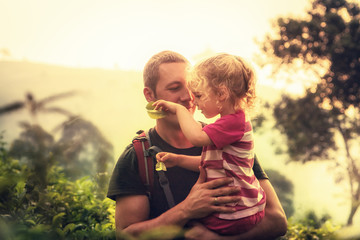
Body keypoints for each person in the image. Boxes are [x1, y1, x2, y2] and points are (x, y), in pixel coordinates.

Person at [107, 50, 287, 240]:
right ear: (150, 95)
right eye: (175, 88)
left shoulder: (228, 140)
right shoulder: (137, 156)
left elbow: (277, 221)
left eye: (192, 87)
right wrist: (186, 209)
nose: (188, 97)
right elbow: (125, 236)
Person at [153, 53, 265, 235]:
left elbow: (197, 138)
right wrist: (179, 159)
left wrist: (180, 110)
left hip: (237, 213)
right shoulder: (228, 125)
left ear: (221, 94)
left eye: (198, 95)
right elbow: (214, 163)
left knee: (187, 229)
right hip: (245, 209)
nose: (193, 101)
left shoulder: (234, 122)